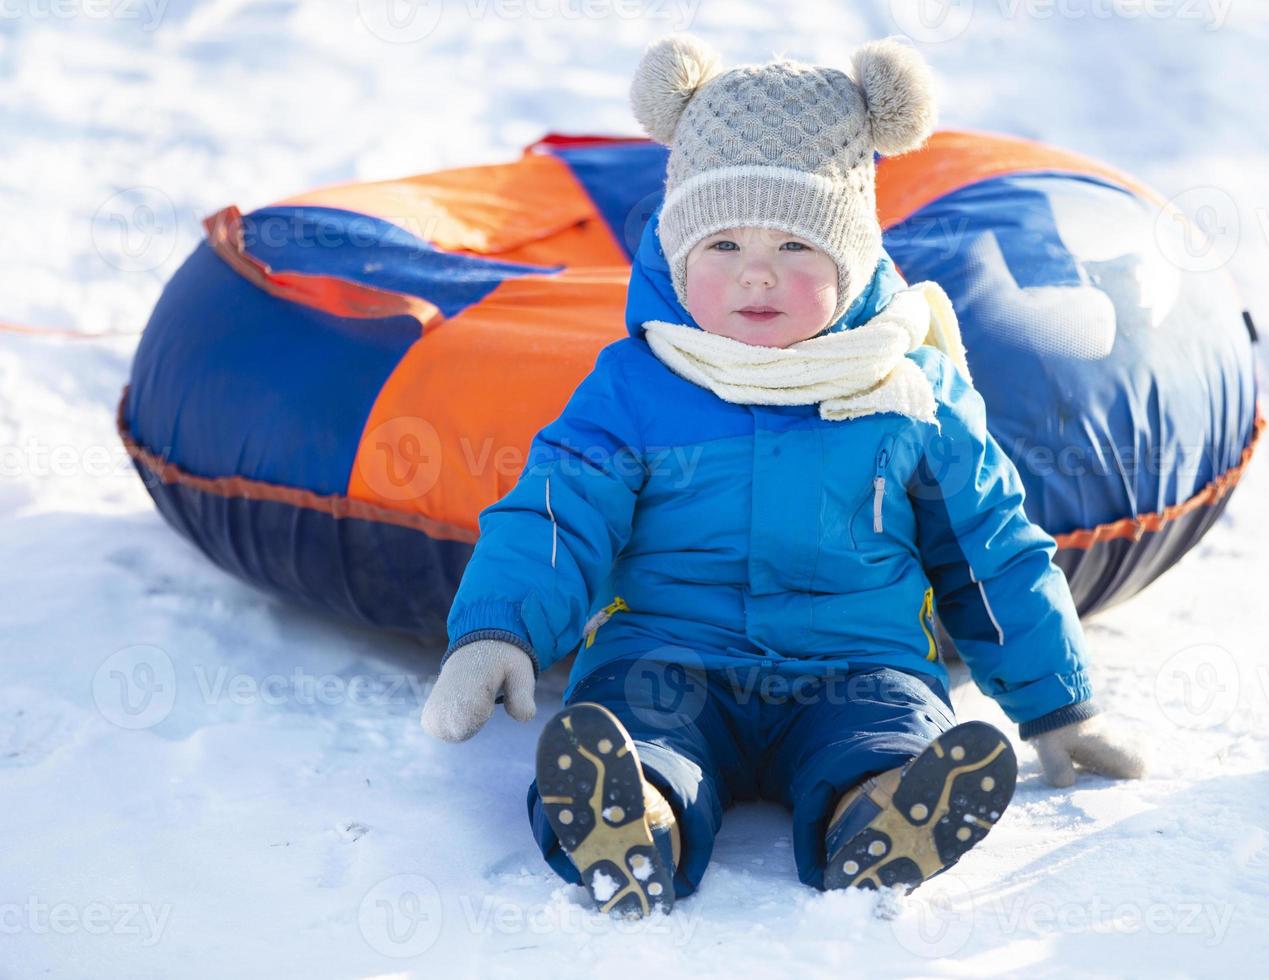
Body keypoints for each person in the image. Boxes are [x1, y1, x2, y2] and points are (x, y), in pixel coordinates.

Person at [422, 33, 1146, 919]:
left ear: (853, 256)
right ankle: (630, 814)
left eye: (799, 245)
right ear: (677, 251)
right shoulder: (637, 384)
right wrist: (496, 630)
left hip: (856, 665)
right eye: (721, 242)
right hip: (670, 656)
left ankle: (879, 815)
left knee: (882, 736)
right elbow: (556, 510)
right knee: (642, 729)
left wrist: (1059, 705)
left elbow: (991, 553)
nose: (757, 272)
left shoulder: (910, 391)